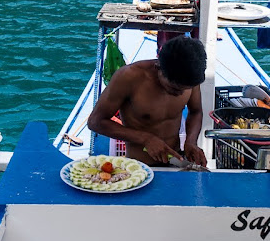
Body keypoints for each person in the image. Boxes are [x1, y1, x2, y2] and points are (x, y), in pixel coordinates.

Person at [87, 36, 208, 167]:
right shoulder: (129, 77)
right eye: (173, 88)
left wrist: (190, 141)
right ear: (159, 67)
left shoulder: (189, 75)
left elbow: (195, 111)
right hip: (139, 166)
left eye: (184, 90)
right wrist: (145, 138)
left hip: (175, 162)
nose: (179, 94)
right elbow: (95, 122)